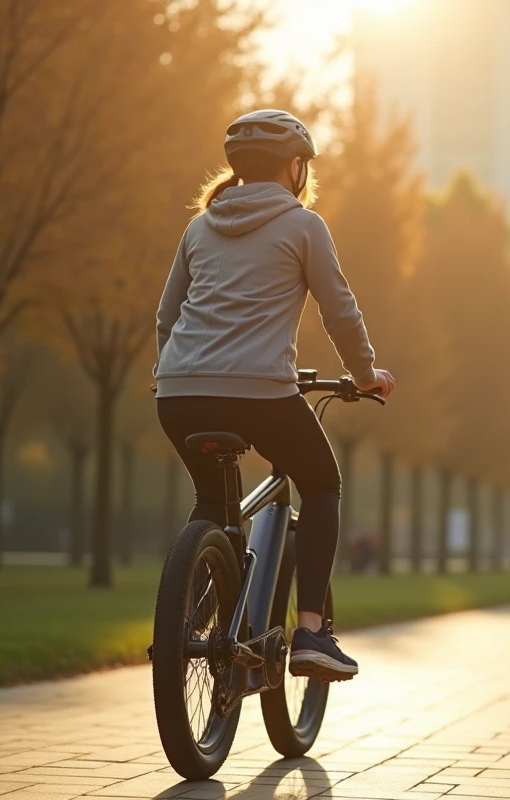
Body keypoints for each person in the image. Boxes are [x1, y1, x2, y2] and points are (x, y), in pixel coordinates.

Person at [154, 109, 395, 682]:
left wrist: (175, 373)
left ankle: (184, 622)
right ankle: (311, 632)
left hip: (178, 392)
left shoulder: (199, 228)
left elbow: (167, 317)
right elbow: (339, 310)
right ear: (294, 167)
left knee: (213, 502)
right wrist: (364, 374)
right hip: (260, 392)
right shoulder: (303, 225)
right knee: (322, 483)